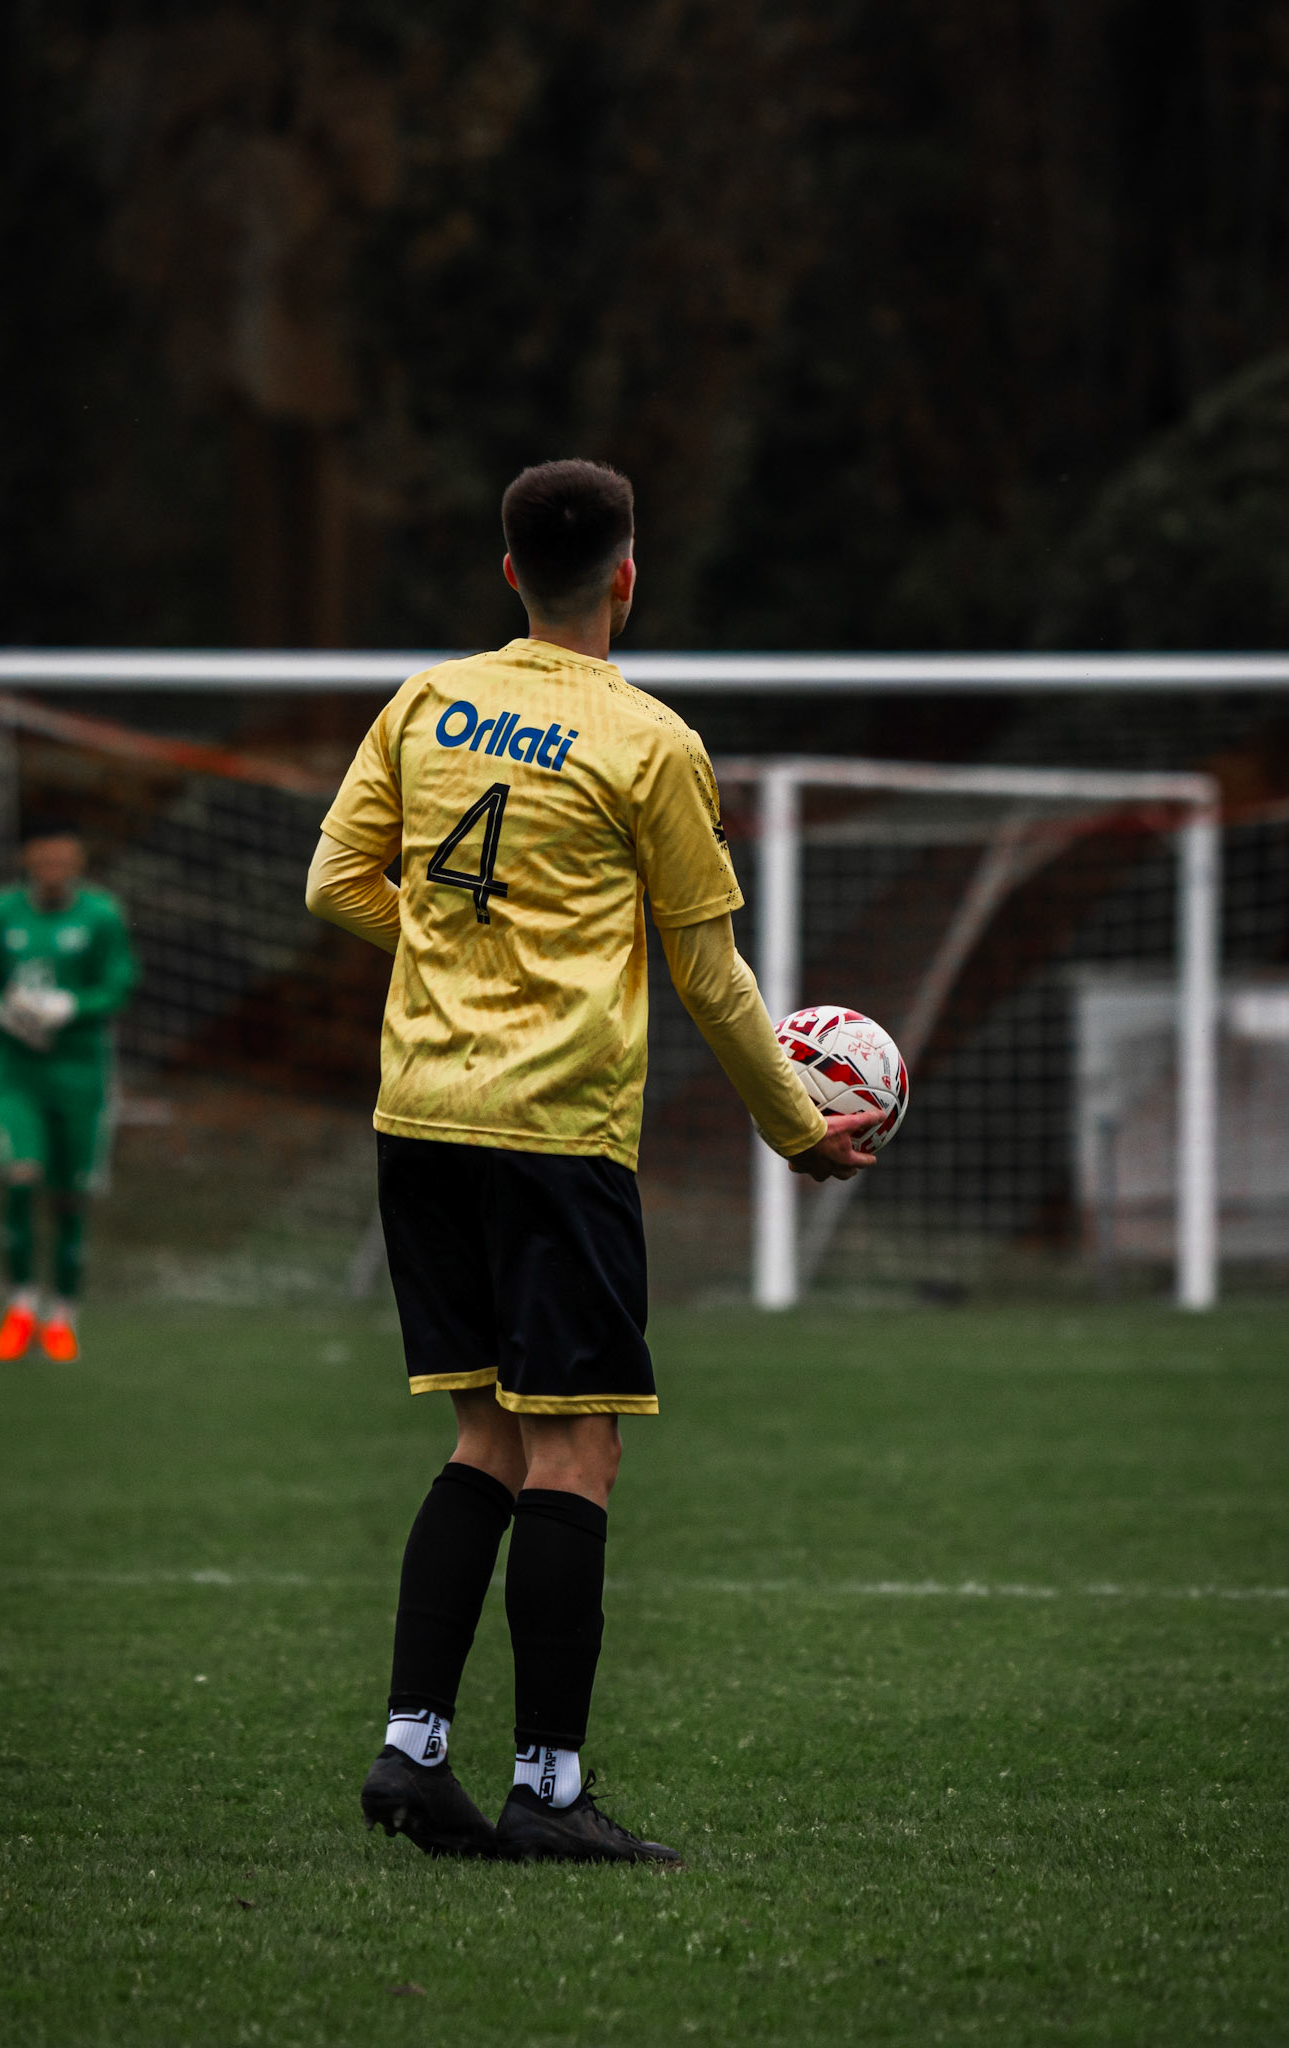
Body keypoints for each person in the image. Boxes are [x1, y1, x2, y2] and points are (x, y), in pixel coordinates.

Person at [306, 458, 879, 1865]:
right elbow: (711, 975)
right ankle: (548, 1790)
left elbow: (334, 883)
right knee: (578, 1450)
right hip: (554, 1129)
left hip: (419, 1113)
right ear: (627, 575)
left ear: (511, 570)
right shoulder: (650, 742)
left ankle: (412, 1751)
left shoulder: (423, 703)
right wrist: (797, 1129)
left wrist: (458, 954)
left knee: (486, 1440)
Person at [0, 821, 138, 1363]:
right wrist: (3, 1011)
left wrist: (70, 1006)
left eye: (63, 862)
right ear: (28, 860)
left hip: (80, 1076)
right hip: (16, 1074)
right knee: (21, 1176)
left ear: (78, 863)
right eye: (44, 861)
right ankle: (20, 1306)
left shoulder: (101, 915)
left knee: (70, 1197)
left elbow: (118, 984)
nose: (53, 872)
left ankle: (62, 1314)